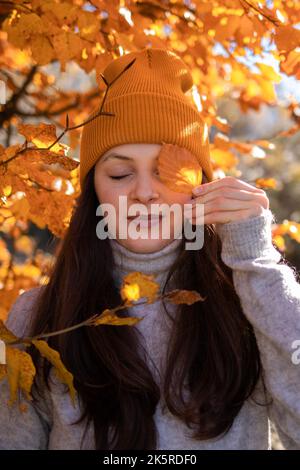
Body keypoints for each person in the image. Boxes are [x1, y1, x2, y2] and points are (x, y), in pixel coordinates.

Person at [0, 47, 300, 450]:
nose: (144, 193)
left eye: (166, 169)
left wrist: (256, 259)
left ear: (201, 184)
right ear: (95, 192)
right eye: (120, 173)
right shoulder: (39, 317)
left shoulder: (250, 303)